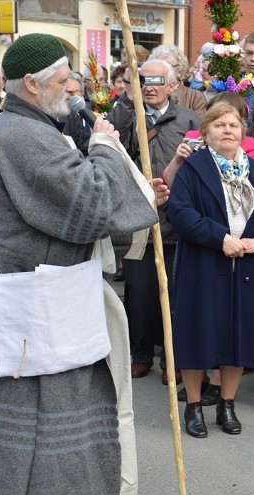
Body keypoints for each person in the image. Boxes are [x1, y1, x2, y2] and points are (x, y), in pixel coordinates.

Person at [0, 33, 164, 495]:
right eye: (62, 79)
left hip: (53, 294)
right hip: (39, 303)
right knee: (36, 425)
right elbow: (91, 203)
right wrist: (103, 148)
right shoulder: (23, 136)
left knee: (63, 417)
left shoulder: (30, 127)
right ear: (30, 84)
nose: (72, 88)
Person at [170, 102, 254, 437]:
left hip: (248, 267)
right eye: (219, 125)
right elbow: (180, 213)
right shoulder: (193, 169)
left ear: (242, 133)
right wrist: (219, 238)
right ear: (205, 133)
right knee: (197, 334)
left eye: (233, 125)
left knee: (239, 337)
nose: (227, 130)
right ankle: (193, 407)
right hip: (204, 265)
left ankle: (227, 404)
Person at [107, 58, 201, 380]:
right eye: (143, 79)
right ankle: (141, 353)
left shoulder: (189, 120)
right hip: (138, 218)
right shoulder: (124, 113)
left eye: (157, 80)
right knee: (140, 289)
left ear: (173, 86)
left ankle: (171, 359)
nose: (149, 85)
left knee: (174, 291)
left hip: (176, 220)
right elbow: (108, 152)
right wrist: (127, 104)